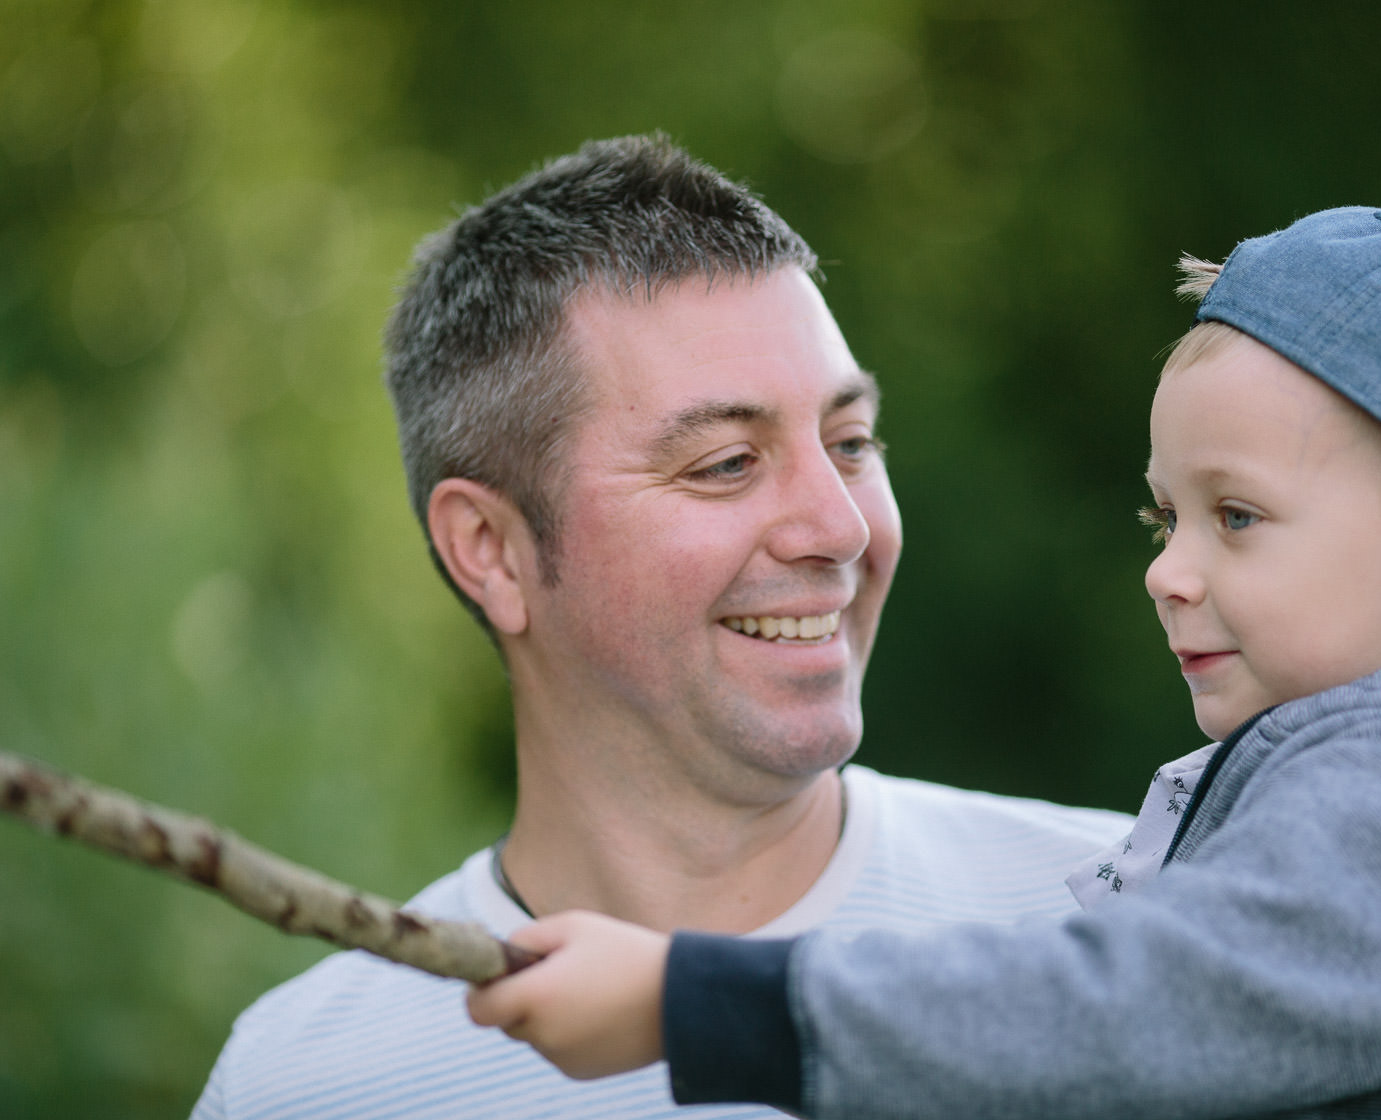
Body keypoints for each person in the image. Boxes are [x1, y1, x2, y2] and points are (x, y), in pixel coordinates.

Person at [465, 207, 1381, 1119]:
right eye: (1166, 519)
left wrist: (696, 1002)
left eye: (1238, 516)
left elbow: (1144, 1008)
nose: (1168, 572)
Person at [190, 134, 1132, 1119]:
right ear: (492, 551)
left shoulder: (1135, 923)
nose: (842, 527)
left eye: (851, 442)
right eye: (726, 463)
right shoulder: (299, 1086)